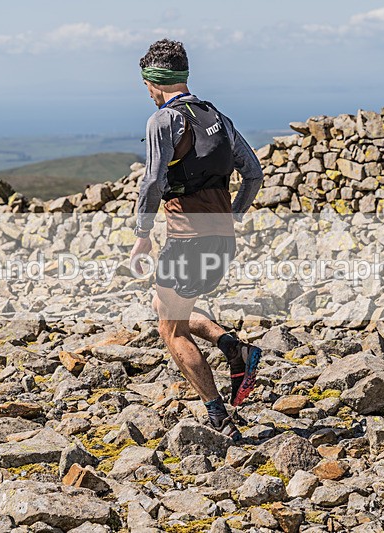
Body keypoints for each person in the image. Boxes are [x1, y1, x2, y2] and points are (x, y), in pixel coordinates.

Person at [130, 39, 264, 441]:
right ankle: (233, 347)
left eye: (146, 85)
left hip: (187, 240)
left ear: (155, 81)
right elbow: (253, 173)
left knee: (170, 330)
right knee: (165, 305)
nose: (148, 93)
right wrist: (231, 216)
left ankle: (218, 416)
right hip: (222, 242)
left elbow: (153, 182)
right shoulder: (217, 116)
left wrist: (142, 235)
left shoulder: (163, 120)